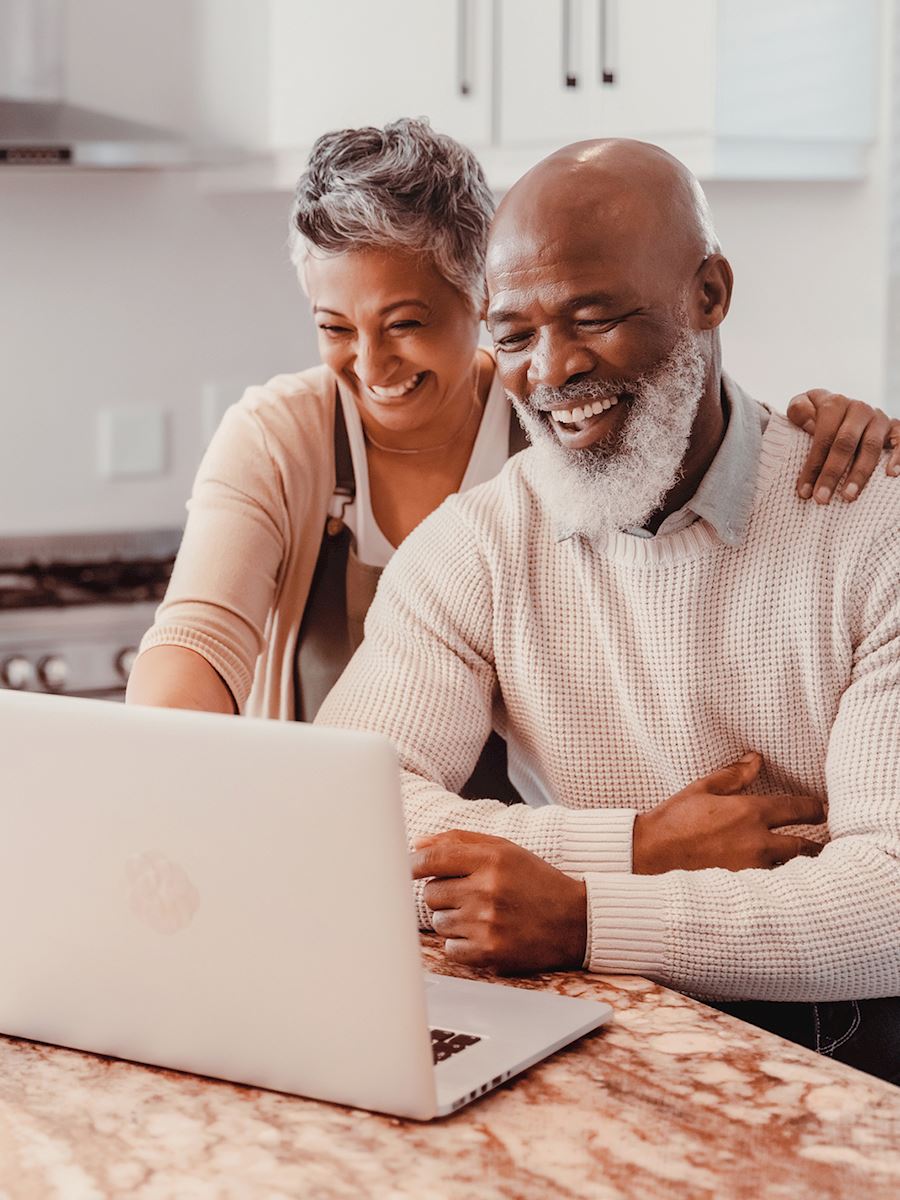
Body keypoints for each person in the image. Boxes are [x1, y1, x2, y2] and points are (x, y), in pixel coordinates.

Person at [316, 139, 900, 1082]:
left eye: (593, 317)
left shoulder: (874, 529)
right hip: (585, 1021)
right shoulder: (478, 543)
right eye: (512, 335)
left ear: (708, 294)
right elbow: (344, 811)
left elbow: (891, 900)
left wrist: (587, 913)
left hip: (842, 1043)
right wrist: (624, 851)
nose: (550, 371)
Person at [128, 118, 897, 726]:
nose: (372, 365)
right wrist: (165, 764)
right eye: (334, 328)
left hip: (542, 876)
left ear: (478, 303)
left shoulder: (561, 423)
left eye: (404, 324)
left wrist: (816, 426)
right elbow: (197, 638)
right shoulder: (283, 437)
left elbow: (689, 411)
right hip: (359, 845)